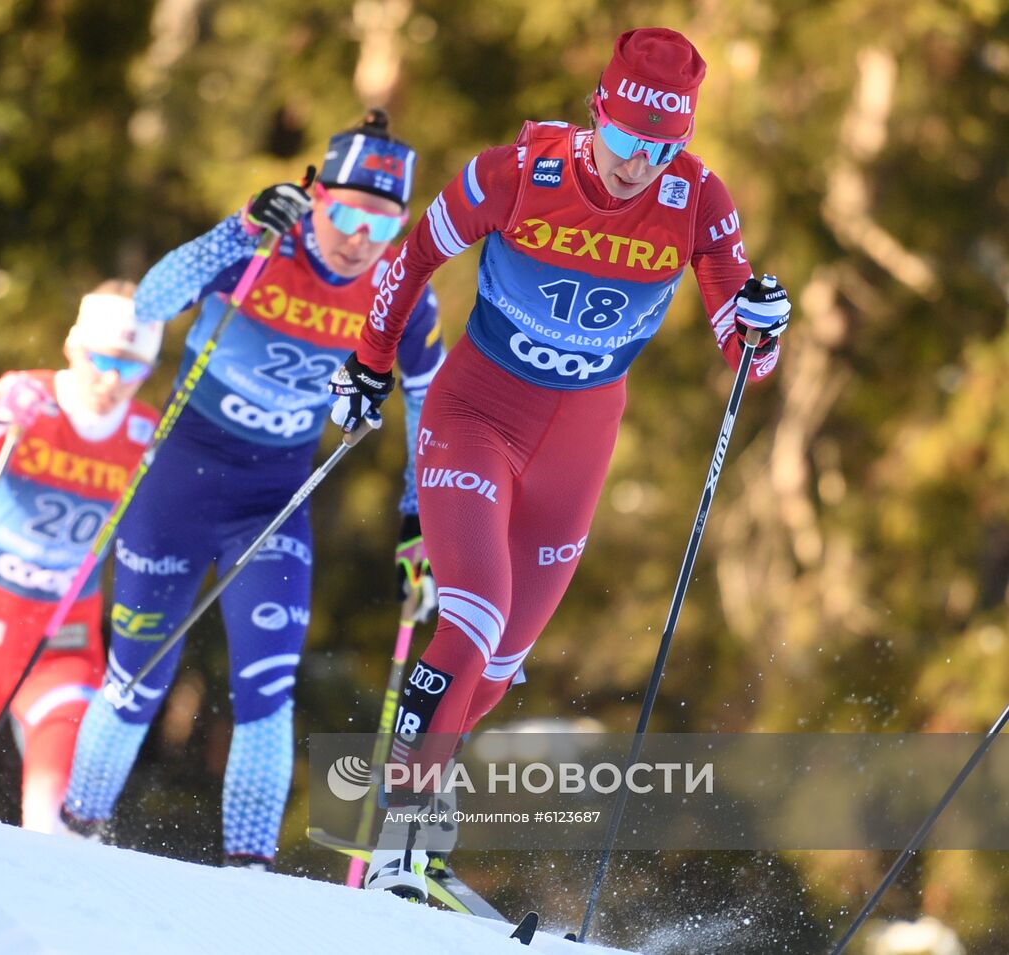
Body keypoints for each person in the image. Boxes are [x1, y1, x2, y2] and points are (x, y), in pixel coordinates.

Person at [326, 28, 794, 898]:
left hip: (579, 442)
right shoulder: (518, 171)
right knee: (471, 613)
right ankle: (398, 835)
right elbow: (414, 255)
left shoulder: (697, 199)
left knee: (496, 666)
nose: (634, 164)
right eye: (623, 140)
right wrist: (369, 361)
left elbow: (745, 355)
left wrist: (761, 324)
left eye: (659, 148)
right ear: (597, 114)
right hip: (476, 412)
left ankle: (421, 831)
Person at [59, 110, 444, 868]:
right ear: (316, 196)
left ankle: (249, 875)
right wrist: (234, 230)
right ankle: (74, 836)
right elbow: (150, 302)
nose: (361, 238)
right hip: (179, 486)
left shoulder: (403, 290)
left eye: (384, 222)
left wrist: (418, 518)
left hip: (272, 503)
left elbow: (429, 406)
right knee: (136, 679)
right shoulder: (267, 242)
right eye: (346, 213)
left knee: (268, 686)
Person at [0, 281, 162, 832]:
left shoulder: (146, 433)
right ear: (72, 345)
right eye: (102, 358)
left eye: (132, 367)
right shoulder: (25, 395)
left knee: (56, 826)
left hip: (61, 645)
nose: (112, 380)